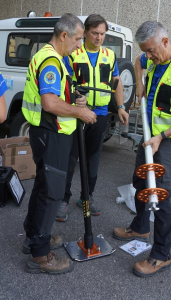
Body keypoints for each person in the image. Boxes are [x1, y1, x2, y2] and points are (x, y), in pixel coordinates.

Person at [113, 21, 171, 277]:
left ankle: (162, 254)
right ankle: (140, 226)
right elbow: (139, 61)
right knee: (141, 181)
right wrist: (139, 82)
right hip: (151, 137)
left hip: (168, 140)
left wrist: (161, 136)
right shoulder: (151, 59)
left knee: (159, 194)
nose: (148, 56)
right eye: (146, 52)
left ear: (165, 41)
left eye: (151, 50)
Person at [21, 13, 97, 275]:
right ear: (63, 35)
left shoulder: (52, 56)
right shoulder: (51, 60)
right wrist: (80, 113)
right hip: (51, 133)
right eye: (77, 39)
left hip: (49, 132)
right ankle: (40, 256)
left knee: (44, 185)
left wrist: (74, 99)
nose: (80, 45)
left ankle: (33, 236)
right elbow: (49, 103)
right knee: (52, 192)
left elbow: (57, 95)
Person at [55, 14, 129, 222]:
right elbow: (65, 83)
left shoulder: (109, 55)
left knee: (93, 157)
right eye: (95, 33)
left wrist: (121, 107)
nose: (99, 37)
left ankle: (86, 197)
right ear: (85, 32)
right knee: (71, 157)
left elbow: (117, 83)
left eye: (102, 34)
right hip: (77, 114)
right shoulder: (73, 53)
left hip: (101, 113)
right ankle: (63, 199)